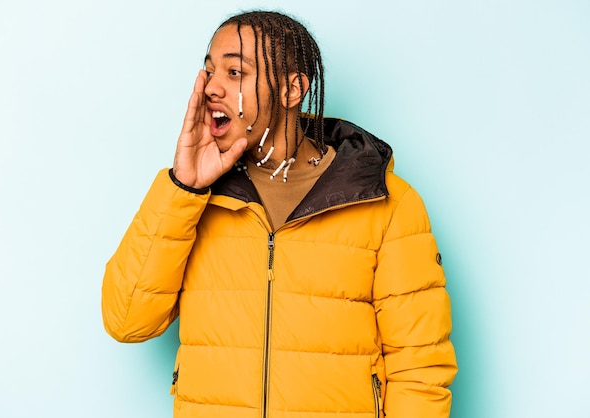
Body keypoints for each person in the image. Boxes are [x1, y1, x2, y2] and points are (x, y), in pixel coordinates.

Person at [101, 10, 457, 418]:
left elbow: (420, 366)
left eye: (234, 72)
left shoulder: (386, 201)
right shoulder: (191, 199)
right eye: (209, 71)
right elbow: (126, 320)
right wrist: (184, 188)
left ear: (292, 89)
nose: (212, 88)